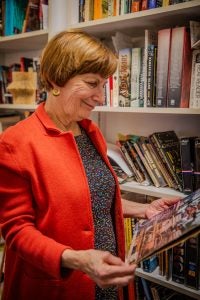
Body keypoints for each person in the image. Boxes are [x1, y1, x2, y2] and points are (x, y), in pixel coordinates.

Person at [0, 30, 179, 300]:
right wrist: (78, 260)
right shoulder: (15, 142)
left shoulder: (90, 131)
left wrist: (144, 210)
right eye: (91, 83)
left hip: (106, 278)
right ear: (55, 80)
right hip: (59, 284)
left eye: (102, 84)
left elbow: (91, 198)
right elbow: (17, 231)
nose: (100, 96)